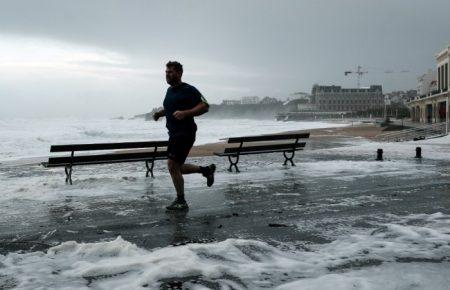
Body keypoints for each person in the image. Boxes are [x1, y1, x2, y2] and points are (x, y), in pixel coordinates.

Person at [153, 61, 215, 211]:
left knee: (172, 165)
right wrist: (159, 113)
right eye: (166, 72)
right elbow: (170, 107)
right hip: (174, 133)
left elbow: (205, 106)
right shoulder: (169, 90)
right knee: (177, 167)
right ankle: (205, 170)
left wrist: (186, 113)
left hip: (185, 132)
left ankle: (181, 201)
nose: (167, 74)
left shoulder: (188, 89)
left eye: (171, 72)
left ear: (179, 73)